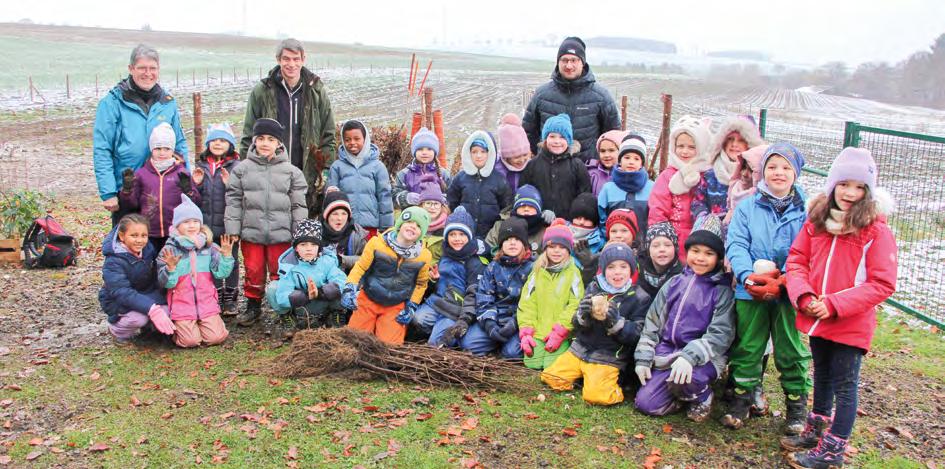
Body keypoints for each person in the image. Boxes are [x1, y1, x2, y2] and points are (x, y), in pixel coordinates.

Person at [783, 148, 897, 469]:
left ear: (868, 192)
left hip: (850, 322)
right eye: (844, 184)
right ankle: (817, 428)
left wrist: (833, 304)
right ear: (832, 185)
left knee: (845, 385)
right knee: (822, 373)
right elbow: (797, 260)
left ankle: (834, 448)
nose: (849, 193)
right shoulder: (817, 222)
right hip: (817, 317)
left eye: (859, 187)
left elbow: (882, 283)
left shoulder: (875, 231)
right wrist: (804, 296)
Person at [722, 143, 811, 434]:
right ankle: (741, 399)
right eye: (772, 167)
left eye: (785, 167)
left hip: (789, 293)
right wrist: (747, 276)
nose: (778, 173)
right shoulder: (748, 207)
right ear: (763, 172)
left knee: (790, 348)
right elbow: (736, 243)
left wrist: (786, 278)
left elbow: (809, 250)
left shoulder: (806, 211)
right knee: (748, 345)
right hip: (750, 290)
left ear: (795, 173)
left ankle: (796, 405)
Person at [633, 215, 735, 422]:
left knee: (688, 379)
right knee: (646, 403)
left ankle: (702, 395)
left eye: (709, 253)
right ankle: (679, 395)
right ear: (687, 251)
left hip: (704, 357)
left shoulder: (722, 291)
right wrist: (643, 357)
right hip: (668, 352)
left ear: (718, 257)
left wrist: (689, 356)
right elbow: (653, 322)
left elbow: (720, 334)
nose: (700, 258)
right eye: (695, 251)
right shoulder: (674, 283)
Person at [225, 118, 308, 327]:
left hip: (281, 234)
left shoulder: (292, 172)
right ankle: (253, 305)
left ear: (279, 143)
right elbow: (234, 200)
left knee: (281, 271)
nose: (265, 143)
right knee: (253, 270)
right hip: (251, 232)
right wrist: (233, 229)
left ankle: (285, 308)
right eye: (260, 138)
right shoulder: (241, 170)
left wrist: (300, 232)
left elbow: (298, 205)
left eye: (271, 139)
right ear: (254, 141)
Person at [541, 242, 647, 405]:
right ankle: (585, 378)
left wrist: (616, 322)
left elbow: (636, 335)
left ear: (631, 269)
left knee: (597, 397)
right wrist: (582, 315)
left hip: (607, 357)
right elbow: (576, 324)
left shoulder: (639, 297)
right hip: (580, 350)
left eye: (623, 267)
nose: (617, 272)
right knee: (550, 378)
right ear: (603, 270)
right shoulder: (594, 287)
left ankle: (612, 386)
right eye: (611, 267)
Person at [93, 44, 188, 225]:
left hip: (163, 188)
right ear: (131, 69)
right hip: (128, 191)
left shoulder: (167, 103)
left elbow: (180, 144)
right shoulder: (112, 103)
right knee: (130, 240)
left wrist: (186, 181)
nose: (148, 73)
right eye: (142, 68)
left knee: (163, 241)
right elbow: (102, 148)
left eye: (152, 68)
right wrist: (108, 192)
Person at [240, 38, 336, 215]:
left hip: (306, 176)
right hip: (269, 177)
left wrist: (324, 172)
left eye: (296, 59)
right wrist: (247, 172)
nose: (291, 64)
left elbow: (328, 136)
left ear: (303, 59)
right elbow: (248, 137)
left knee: (302, 225)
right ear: (278, 59)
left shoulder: (316, 92)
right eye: (286, 59)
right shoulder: (262, 91)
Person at [341, 207, 433, 345]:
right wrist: (349, 287)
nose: (413, 226)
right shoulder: (377, 243)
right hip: (369, 298)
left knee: (389, 347)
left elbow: (421, 283)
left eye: (419, 226)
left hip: (395, 305)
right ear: (400, 224)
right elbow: (360, 267)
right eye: (409, 222)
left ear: (422, 233)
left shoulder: (424, 256)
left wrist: (412, 305)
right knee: (355, 340)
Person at [522, 36, 620, 162]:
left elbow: (613, 135)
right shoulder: (541, 94)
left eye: (574, 60)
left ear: (582, 62)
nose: (569, 65)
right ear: (558, 62)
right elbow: (528, 132)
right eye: (564, 60)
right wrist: (538, 159)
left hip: (587, 168)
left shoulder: (601, 96)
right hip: (548, 167)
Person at [446, 217, 534, 357]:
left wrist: (514, 324)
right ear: (501, 244)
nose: (512, 243)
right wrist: (490, 324)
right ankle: (493, 343)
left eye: (517, 240)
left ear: (524, 244)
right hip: (495, 317)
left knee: (511, 353)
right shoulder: (493, 267)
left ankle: (503, 348)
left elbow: (531, 303)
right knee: (468, 344)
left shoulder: (532, 268)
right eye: (507, 239)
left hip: (518, 321)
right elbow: (483, 297)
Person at [156, 196, 236, 348]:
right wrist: (170, 269)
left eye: (195, 221)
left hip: (206, 302)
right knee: (190, 341)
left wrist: (226, 257)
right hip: (182, 304)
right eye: (186, 222)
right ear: (177, 225)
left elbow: (221, 274)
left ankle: (207, 324)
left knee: (216, 338)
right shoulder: (169, 250)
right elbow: (166, 283)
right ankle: (179, 330)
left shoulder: (209, 247)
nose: (192, 225)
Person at [118, 122, 199, 253]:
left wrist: (188, 191)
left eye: (166, 149)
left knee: (171, 262)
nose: (162, 153)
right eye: (158, 148)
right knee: (150, 262)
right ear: (152, 149)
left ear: (172, 150)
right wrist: (127, 191)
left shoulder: (182, 173)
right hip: (149, 232)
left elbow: (194, 203)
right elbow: (132, 204)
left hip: (175, 231)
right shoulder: (142, 174)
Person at [517, 219, 584, 370]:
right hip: (538, 331)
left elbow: (576, 304)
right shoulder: (537, 271)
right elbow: (527, 303)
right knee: (532, 363)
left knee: (550, 366)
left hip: (560, 333)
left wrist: (560, 331)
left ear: (569, 250)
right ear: (545, 248)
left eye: (562, 247)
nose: (557, 251)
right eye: (552, 246)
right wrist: (526, 331)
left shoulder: (573, 273)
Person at [413, 207, 486, 338]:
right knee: (417, 319)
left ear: (470, 236)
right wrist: (434, 280)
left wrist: (464, 319)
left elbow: (473, 295)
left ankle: (451, 336)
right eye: (452, 234)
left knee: (436, 342)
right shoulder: (445, 255)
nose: (457, 238)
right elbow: (434, 288)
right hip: (437, 303)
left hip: (455, 311)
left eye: (462, 234)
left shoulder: (475, 263)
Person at [266, 219, 348, 335]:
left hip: (323, 303)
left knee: (343, 286)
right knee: (273, 288)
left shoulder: (327, 261)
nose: (308, 248)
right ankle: (288, 317)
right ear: (296, 248)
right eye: (303, 244)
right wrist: (305, 295)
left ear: (319, 248)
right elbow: (282, 296)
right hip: (300, 306)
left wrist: (320, 292)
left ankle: (335, 315)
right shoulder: (289, 266)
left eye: (313, 244)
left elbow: (342, 282)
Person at [647, 116, 712, 261]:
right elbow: (657, 210)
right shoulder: (667, 176)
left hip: (702, 238)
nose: (685, 151)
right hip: (673, 239)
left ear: (701, 147)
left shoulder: (708, 175)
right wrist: (662, 239)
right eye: (680, 146)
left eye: (691, 147)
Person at [193, 123, 242, 315]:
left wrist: (230, 185)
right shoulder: (201, 166)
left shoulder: (237, 167)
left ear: (230, 144)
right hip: (207, 226)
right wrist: (196, 185)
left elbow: (240, 196)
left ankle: (230, 296)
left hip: (228, 225)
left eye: (223, 140)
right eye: (214, 140)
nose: (218, 143)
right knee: (210, 259)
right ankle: (216, 294)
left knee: (231, 259)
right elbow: (196, 198)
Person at [98, 214, 168, 344]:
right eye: (134, 235)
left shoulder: (149, 250)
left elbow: (155, 277)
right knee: (138, 318)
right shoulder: (113, 261)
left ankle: (148, 329)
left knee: (167, 311)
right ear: (122, 236)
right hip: (118, 300)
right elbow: (121, 292)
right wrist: (151, 308)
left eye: (144, 235)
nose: (139, 240)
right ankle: (117, 330)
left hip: (144, 293)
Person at [326, 120, 394, 239]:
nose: (352, 143)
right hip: (344, 227)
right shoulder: (337, 167)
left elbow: (385, 197)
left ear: (365, 139)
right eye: (347, 140)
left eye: (357, 139)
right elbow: (331, 198)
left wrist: (386, 228)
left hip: (370, 228)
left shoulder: (377, 166)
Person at [691, 116, 764, 223]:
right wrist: (705, 220)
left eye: (741, 140)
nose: (734, 144)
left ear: (749, 144)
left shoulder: (757, 176)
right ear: (722, 141)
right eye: (730, 139)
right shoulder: (709, 174)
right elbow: (698, 202)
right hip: (711, 228)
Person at [519, 114, 592, 221]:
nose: (557, 141)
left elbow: (584, 196)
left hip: (568, 222)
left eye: (562, 137)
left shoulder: (577, 165)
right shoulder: (532, 165)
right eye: (552, 136)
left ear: (569, 140)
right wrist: (539, 213)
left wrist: (575, 217)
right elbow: (524, 193)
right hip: (540, 221)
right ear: (545, 139)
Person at [447, 131, 513, 239]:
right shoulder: (460, 178)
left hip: (490, 236)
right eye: (474, 152)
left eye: (483, 151)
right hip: (465, 235)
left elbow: (506, 208)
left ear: (489, 153)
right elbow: (451, 203)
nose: (479, 156)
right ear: (469, 153)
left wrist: (497, 231)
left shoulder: (499, 179)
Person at [597, 134, 654, 237]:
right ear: (620, 160)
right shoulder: (608, 189)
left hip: (643, 242)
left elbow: (655, 218)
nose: (631, 162)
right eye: (627, 158)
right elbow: (602, 218)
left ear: (642, 163)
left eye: (636, 159)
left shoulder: (652, 188)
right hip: (615, 242)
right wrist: (608, 238)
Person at [393, 127, 451, 209]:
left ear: (435, 152)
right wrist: (406, 198)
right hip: (413, 215)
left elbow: (453, 196)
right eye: (420, 149)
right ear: (414, 152)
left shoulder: (444, 174)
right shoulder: (403, 174)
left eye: (429, 149)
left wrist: (443, 199)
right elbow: (393, 197)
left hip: (437, 214)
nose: (424, 153)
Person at [484, 184, 549, 255]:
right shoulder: (501, 225)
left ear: (538, 210)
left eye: (531, 206)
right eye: (522, 206)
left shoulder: (545, 229)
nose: (526, 209)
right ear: (515, 209)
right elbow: (488, 248)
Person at [318, 191, 369, 274]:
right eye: (335, 214)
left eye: (344, 214)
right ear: (326, 216)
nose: (340, 218)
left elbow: (366, 260)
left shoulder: (357, 235)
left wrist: (342, 260)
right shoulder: (316, 233)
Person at [636, 222, 684, 308]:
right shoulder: (638, 272)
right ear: (648, 250)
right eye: (655, 246)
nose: (662, 249)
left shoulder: (682, 277)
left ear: (675, 248)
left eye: (667, 245)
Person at [723, 144, 767, 227]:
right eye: (743, 167)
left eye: (751, 170)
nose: (744, 174)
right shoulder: (735, 187)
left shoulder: (762, 201)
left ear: (762, 174)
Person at [569, 192, 605, 286]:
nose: (581, 222)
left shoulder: (601, 243)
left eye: (587, 219)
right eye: (578, 218)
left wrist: (590, 264)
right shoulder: (561, 234)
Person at [494, 114, 532, 192]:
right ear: (506, 157)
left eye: (525, 155)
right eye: (517, 157)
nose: (522, 160)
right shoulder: (497, 170)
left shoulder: (531, 166)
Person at [417, 184, 451, 265]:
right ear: (422, 205)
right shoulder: (413, 224)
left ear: (442, 206)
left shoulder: (448, 227)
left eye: (436, 204)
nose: (432, 207)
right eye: (428, 203)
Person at [587, 130, 628, 196]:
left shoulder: (627, 174)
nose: (606, 155)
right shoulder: (591, 173)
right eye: (602, 151)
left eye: (611, 150)